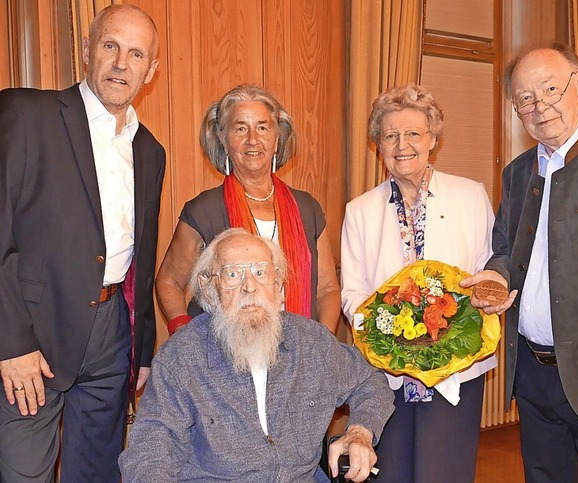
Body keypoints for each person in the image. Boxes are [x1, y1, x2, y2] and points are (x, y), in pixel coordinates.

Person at [461, 43, 578, 482]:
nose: (540, 106)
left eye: (550, 89)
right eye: (525, 98)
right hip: (534, 377)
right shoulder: (519, 171)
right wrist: (496, 278)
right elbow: (504, 249)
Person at [0, 5, 165, 482]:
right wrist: (11, 342)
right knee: (22, 474)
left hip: (113, 338)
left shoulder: (150, 150)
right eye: (111, 46)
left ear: (150, 71)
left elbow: (142, 257)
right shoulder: (25, 115)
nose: (121, 63)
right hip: (32, 334)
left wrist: (143, 349)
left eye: (136, 54)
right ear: (88, 50)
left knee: (97, 473)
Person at [119, 228, 394, 482]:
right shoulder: (181, 358)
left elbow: (368, 381)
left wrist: (360, 432)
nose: (249, 287)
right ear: (210, 289)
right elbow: (150, 449)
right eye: (232, 274)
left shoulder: (311, 344)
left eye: (261, 273)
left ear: (279, 284)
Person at [341, 83, 497, 482]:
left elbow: (487, 272)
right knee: (392, 469)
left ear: (433, 139)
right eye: (390, 135)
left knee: (446, 469)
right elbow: (353, 291)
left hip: (456, 367)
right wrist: (387, 333)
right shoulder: (359, 210)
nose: (402, 144)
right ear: (378, 144)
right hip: (387, 372)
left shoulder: (470, 195)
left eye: (413, 133)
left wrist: (458, 325)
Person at [155, 85, 341, 336]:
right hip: (222, 357)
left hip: (298, 355)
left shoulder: (308, 208)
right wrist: (185, 337)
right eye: (240, 128)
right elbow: (168, 282)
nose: (253, 139)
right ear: (222, 138)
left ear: (277, 137)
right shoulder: (203, 211)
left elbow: (327, 289)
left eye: (263, 128)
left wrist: (322, 344)